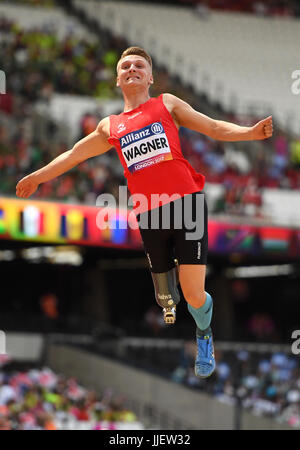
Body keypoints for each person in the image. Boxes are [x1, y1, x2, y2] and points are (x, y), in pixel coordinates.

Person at [16, 46, 273, 378]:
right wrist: (37, 177)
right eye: (126, 66)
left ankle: (204, 334)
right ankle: (171, 301)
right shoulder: (110, 126)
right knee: (166, 297)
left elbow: (213, 127)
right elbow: (73, 156)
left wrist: (250, 133)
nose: (132, 69)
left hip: (187, 204)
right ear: (118, 79)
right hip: (150, 214)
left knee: (193, 294)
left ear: (150, 77)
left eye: (139, 65)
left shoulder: (166, 103)